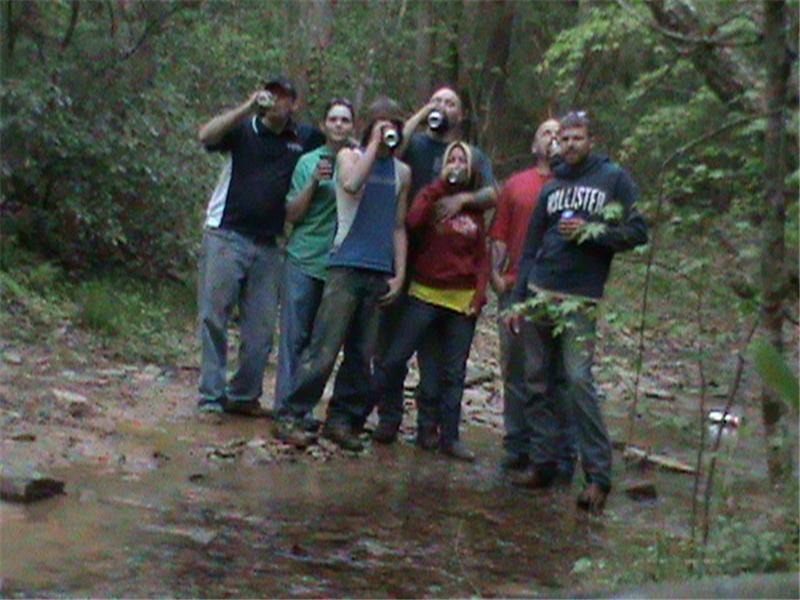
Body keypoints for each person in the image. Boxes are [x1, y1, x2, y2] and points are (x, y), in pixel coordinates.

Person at [506, 111, 648, 514]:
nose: (569, 145)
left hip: (581, 298)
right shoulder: (553, 185)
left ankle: (598, 476)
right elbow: (530, 247)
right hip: (540, 292)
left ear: (591, 140)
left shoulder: (613, 179)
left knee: (578, 380)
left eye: (577, 138)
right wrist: (518, 299)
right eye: (564, 139)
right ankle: (543, 463)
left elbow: (639, 232)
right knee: (536, 381)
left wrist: (592, 233)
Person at [273, 97, 411, 451]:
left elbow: (398, 226)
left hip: (379, 270)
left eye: (393, 125)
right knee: (324, 347)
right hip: (345, 264)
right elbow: (350, 184)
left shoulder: (402, 172)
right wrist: (374, 146)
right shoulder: (349, 157)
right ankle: (291, 414)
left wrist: (399, 273)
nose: (388, 130)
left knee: (361, 355)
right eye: (381, 124)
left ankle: (341, 420)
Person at [370, 85, 497, 443]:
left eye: (450, 103)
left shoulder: (469, 154)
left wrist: (463, 199)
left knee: (434, 355)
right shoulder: (415, 142)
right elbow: (392, 148)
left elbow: (493, 193)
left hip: (445, 263)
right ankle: (388, 418)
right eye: (437, 100)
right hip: (401, 251)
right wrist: (422, 114)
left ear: (461, 115)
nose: (442, 107)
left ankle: (429, 426)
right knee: (390, 345)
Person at [196, 76, 324, 415]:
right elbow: (206, 135)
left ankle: (243, 395)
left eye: (284, 97)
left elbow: (337, 145)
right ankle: (211, 396)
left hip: (269, 244)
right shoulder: (242, 129)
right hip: (226, 234)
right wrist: (247, 107)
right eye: (272, 95)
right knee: (214, 317)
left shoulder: (303, 138)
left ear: (294, 104)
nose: (277, 102)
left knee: (261, 331)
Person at [489, 118, 577, 479]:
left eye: (559, 133)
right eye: (546, 133)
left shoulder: (575, 186)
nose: (553, 138)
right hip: (516, 288)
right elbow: (499, 234)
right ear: (534, 144)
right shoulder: (516, 184)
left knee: (560, 375)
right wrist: (495, 276)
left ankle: (561, 452)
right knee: (516, 370)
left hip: (562, 291)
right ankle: (518, 444)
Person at [274, 99, 356, 418]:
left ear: (353, 126)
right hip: (304, 259)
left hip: (340, 266)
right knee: (294, 338)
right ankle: (285, 409)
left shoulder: (359, 162)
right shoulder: (308, 162)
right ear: (323, 125)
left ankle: (304, 408)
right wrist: (313, 183)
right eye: (333, 119)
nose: (338, 125)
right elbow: (292, 214)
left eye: (345, 120)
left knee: (322, 344)